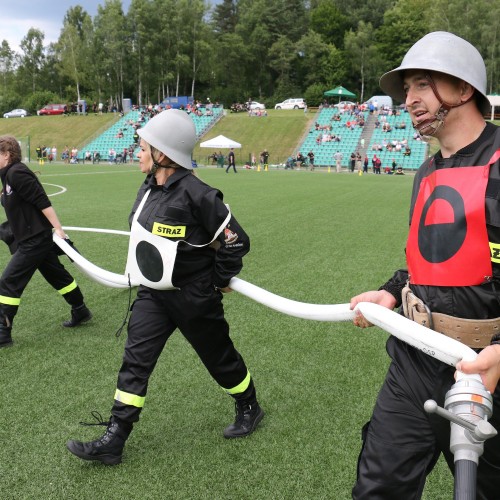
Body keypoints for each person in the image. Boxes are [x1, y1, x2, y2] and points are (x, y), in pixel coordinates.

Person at [349, 31, 500, 499]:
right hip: (414, 360)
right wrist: (391, 292)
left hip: (486, 368)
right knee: (377, 489)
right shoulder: (428, 170)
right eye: (407, 90)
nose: (408, 100)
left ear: (463, 89)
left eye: (421, 85)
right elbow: (428, 263)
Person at [66, 109, 264, 465]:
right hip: (153, 296)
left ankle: (249, 404)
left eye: (144, 147)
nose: (138, 152)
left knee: (219, 360)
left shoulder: (199, 194)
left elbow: (236, 242)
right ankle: (115, 437)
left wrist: (217, 281)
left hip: (194, 298)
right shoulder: (148, 188)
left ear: (163, 154)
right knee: (135, 362)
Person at [0, 136, 92, 349]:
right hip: (33, 238)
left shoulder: (17, 173)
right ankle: (80, 310)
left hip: (35, 240)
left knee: (9, 280)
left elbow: (42, 201)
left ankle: (3, 331)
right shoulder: (8, 176)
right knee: (57, 276)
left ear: (6, 154)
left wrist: (59, 229)